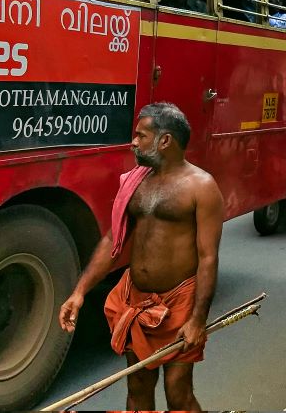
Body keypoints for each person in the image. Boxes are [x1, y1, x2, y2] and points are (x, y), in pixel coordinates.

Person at [59, 103, 224, 410]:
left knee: (179, 394)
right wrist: (79, 293)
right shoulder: (137, 182)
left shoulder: (201, 187)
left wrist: (198, 320)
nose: (133, 141)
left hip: (179, 304)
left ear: (165, 141)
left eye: (141, 135)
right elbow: (112, 239)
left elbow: (208, 259)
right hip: (135, 301)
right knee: (137, 386)